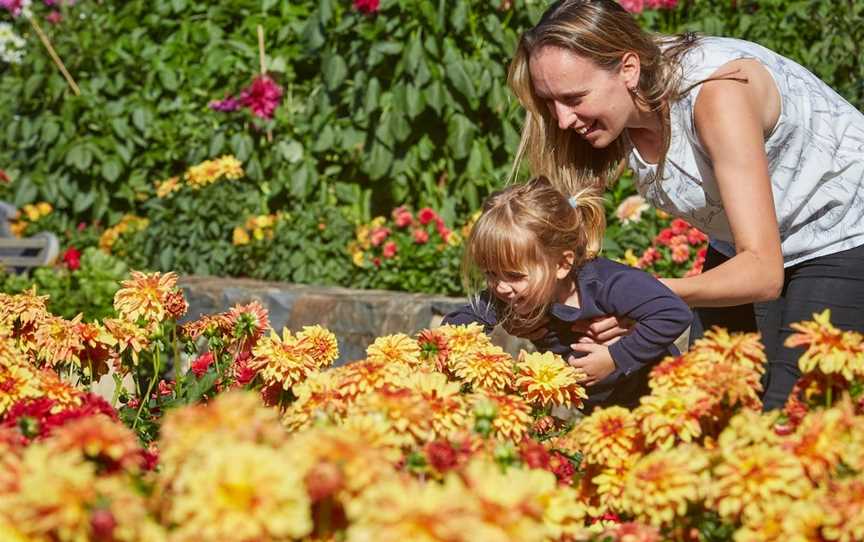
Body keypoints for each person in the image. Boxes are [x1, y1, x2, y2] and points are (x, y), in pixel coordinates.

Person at [505, 0, 864, 410]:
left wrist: (648, 297)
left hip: (843, 230)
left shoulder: (717, 97)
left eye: (574, 98)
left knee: (795, 416)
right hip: (746, 243)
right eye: (550, 102)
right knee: (711, 405)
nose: (563, 119)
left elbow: (763, 273)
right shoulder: (610, 114)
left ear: (628, 69)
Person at [443, 177, 692, 411]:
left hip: (660, 399)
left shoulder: (607, 285)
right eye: (491, 274)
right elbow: (455, 329)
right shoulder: (511, 294)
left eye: (515, 275)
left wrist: (615, 357)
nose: (500, 287)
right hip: (601, 413)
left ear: (562, 265)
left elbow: (673, 312)